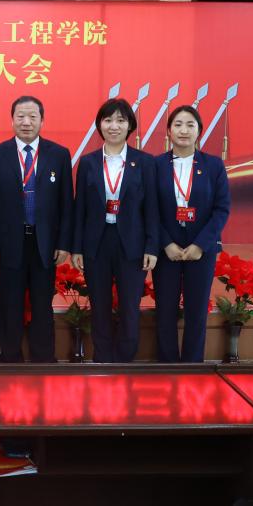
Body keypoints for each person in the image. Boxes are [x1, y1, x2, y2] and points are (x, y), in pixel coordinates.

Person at [0, 96, 72, 363]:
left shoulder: (59, 154)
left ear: (42, 121)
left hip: (45, 243)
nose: (26, 122)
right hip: (10, 242)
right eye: (20, 116)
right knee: (10, 304)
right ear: (12, 120)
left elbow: (66, 204)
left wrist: (64, 242)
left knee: (43, 304)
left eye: (33, 117)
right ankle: (9, 359)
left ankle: (43, 359)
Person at [72, 98, 158, 363]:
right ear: (100, 125)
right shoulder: (88, 163)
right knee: (99, 305)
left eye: (121, 120)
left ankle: (125, 359)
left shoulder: (144, 162)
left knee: (129, 306)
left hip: (131, 243)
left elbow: (152, 208)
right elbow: (80, 208)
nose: (114, 126)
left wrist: (151, 246)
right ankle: (102, 358)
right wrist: (77, 247)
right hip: (96, 243)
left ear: (130, 125)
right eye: (108, 120)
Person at [154, 105, 231, 363]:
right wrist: (166, 243)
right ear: (169, 130)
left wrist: (201, 244)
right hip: (167, 249)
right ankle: (167, 363)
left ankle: (192, 365)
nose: (184, 130)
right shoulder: (155, 165)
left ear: (199, 131)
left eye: (190, 125)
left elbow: (222, 209)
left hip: (201, 249)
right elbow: (150, 209)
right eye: (177, 125)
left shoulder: (213, 165)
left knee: (196, 312)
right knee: (165, 310)